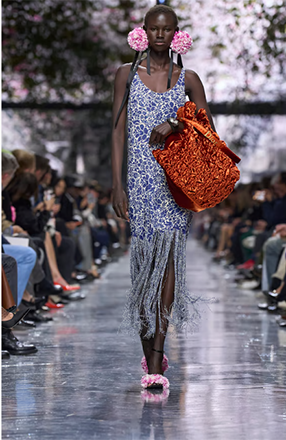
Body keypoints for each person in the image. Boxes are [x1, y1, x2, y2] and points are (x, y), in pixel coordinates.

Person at [110, 4, 213, 391]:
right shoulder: (125, 75)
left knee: (167, 265)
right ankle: (149, 350)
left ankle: (156, 358)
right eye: (153, 28)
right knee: (142, 267)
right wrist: (117, 184)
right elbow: (117, 131)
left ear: (176, 34)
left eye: (166, 29)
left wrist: (175, 122)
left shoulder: (189, 79)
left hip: (174, 184)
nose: (159, 34)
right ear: (142, 31)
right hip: (138, 181)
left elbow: (207, 129)